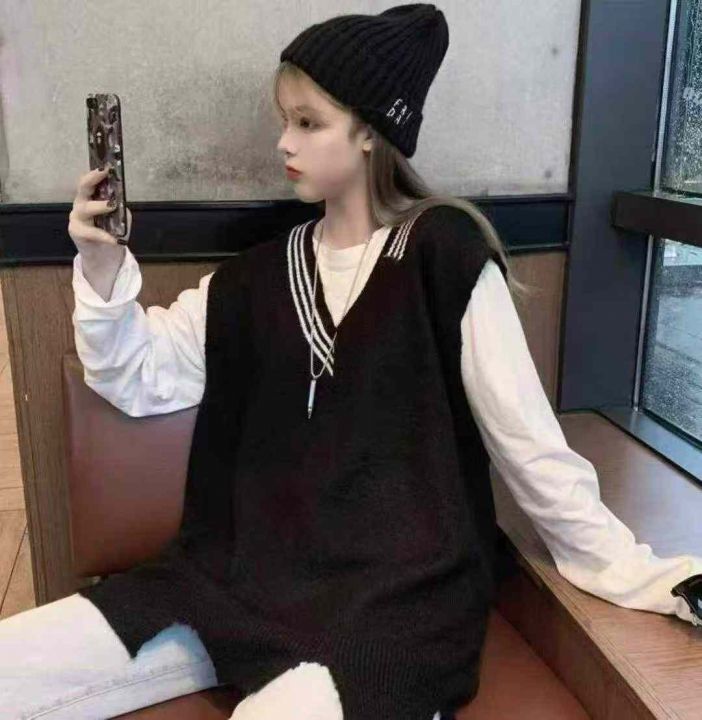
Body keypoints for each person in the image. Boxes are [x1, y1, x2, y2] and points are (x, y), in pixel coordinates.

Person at [2, 3, 701, 719]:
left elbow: (530, 447)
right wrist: (100, 265)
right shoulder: (253, 280)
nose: (284, 141)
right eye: (285, 120)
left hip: (396, 605)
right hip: (237, 580)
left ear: (371, 131)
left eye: (308, 122)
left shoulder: (443, 256)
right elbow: (134, 377)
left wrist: (641, 574)